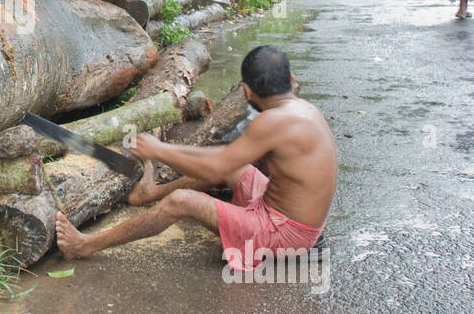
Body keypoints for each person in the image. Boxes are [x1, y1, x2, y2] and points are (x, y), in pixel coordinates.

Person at [54, 45, 338, 272]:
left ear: (247, 91)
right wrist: (163, 152)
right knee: (234, 165)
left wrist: (159, 150)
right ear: (291, 80)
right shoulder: (302, 109)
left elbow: (216, 164)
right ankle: (151, 192)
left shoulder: (273, 122)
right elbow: (225, 160)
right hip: (286, 217)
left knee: (183, 202)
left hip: (287, 236)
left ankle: (84, 245)